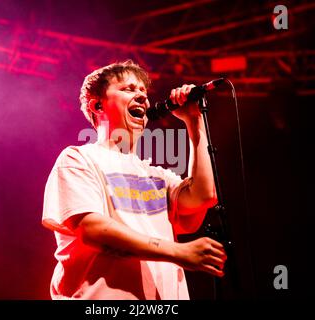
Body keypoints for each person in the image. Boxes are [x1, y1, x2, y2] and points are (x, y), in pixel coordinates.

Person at [42, 60, 227, 300]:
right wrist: (178, 252)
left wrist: (194, 122)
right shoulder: (78, 159)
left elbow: (203, 196)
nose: (142, 97)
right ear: (97, 105)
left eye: (143, 91)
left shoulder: (157, 175)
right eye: (129, 89)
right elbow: (94, 230)